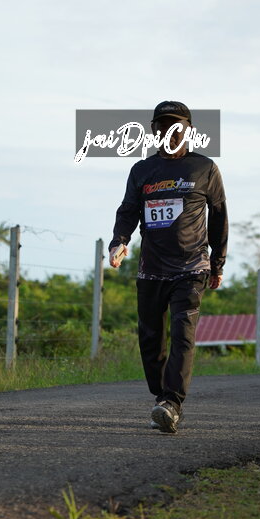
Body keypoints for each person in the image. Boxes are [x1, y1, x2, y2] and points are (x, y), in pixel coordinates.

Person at [109, 100, 228, 433]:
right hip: (151, 267)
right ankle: (163, 398)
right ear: (154, 131)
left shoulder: (204, 168)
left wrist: (217, 262)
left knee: (182, 335)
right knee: (151, 340)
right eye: (162, 127)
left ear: (189, 131)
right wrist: (119, 241)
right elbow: (128, 211)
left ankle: (172, 403)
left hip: (192, 267)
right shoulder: (142, 170)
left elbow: (219, 216)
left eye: (177, 127)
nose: (169, 133)